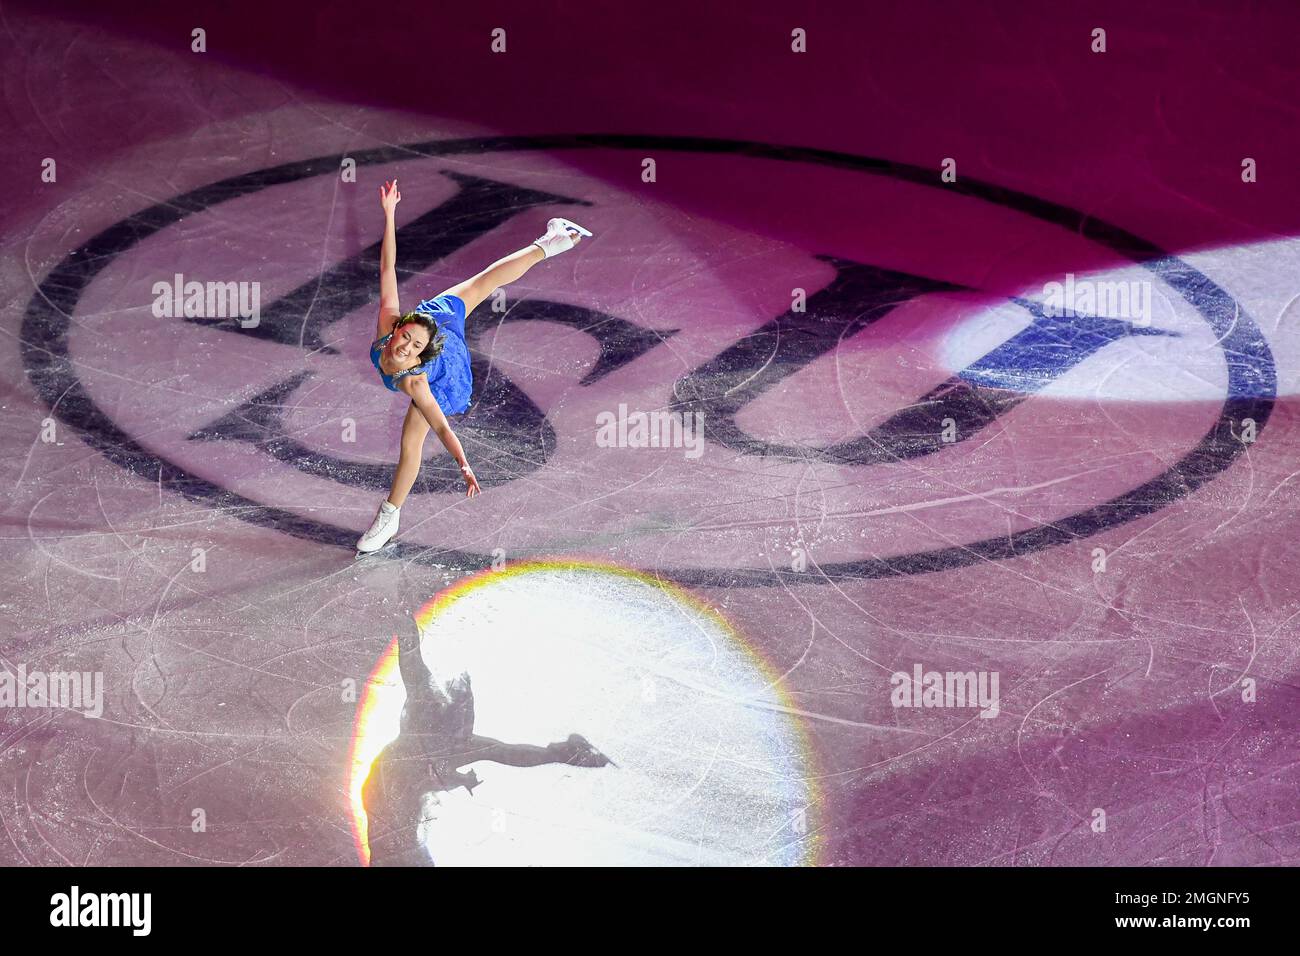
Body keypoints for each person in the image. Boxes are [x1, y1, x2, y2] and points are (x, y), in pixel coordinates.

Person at [358, 178, 592, 553]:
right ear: (400, 327)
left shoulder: (419, 383)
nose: (404, 348)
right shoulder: (394, 325)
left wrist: (463, 464)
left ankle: (390, 515)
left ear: (421, 355)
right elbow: (388, 269)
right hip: (436, 319)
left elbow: (442, 426)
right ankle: (552, 242)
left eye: (414, 347)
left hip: (443, 367)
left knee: (410, 444)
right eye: (405, 338)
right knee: (483, 282)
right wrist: (389, 214)